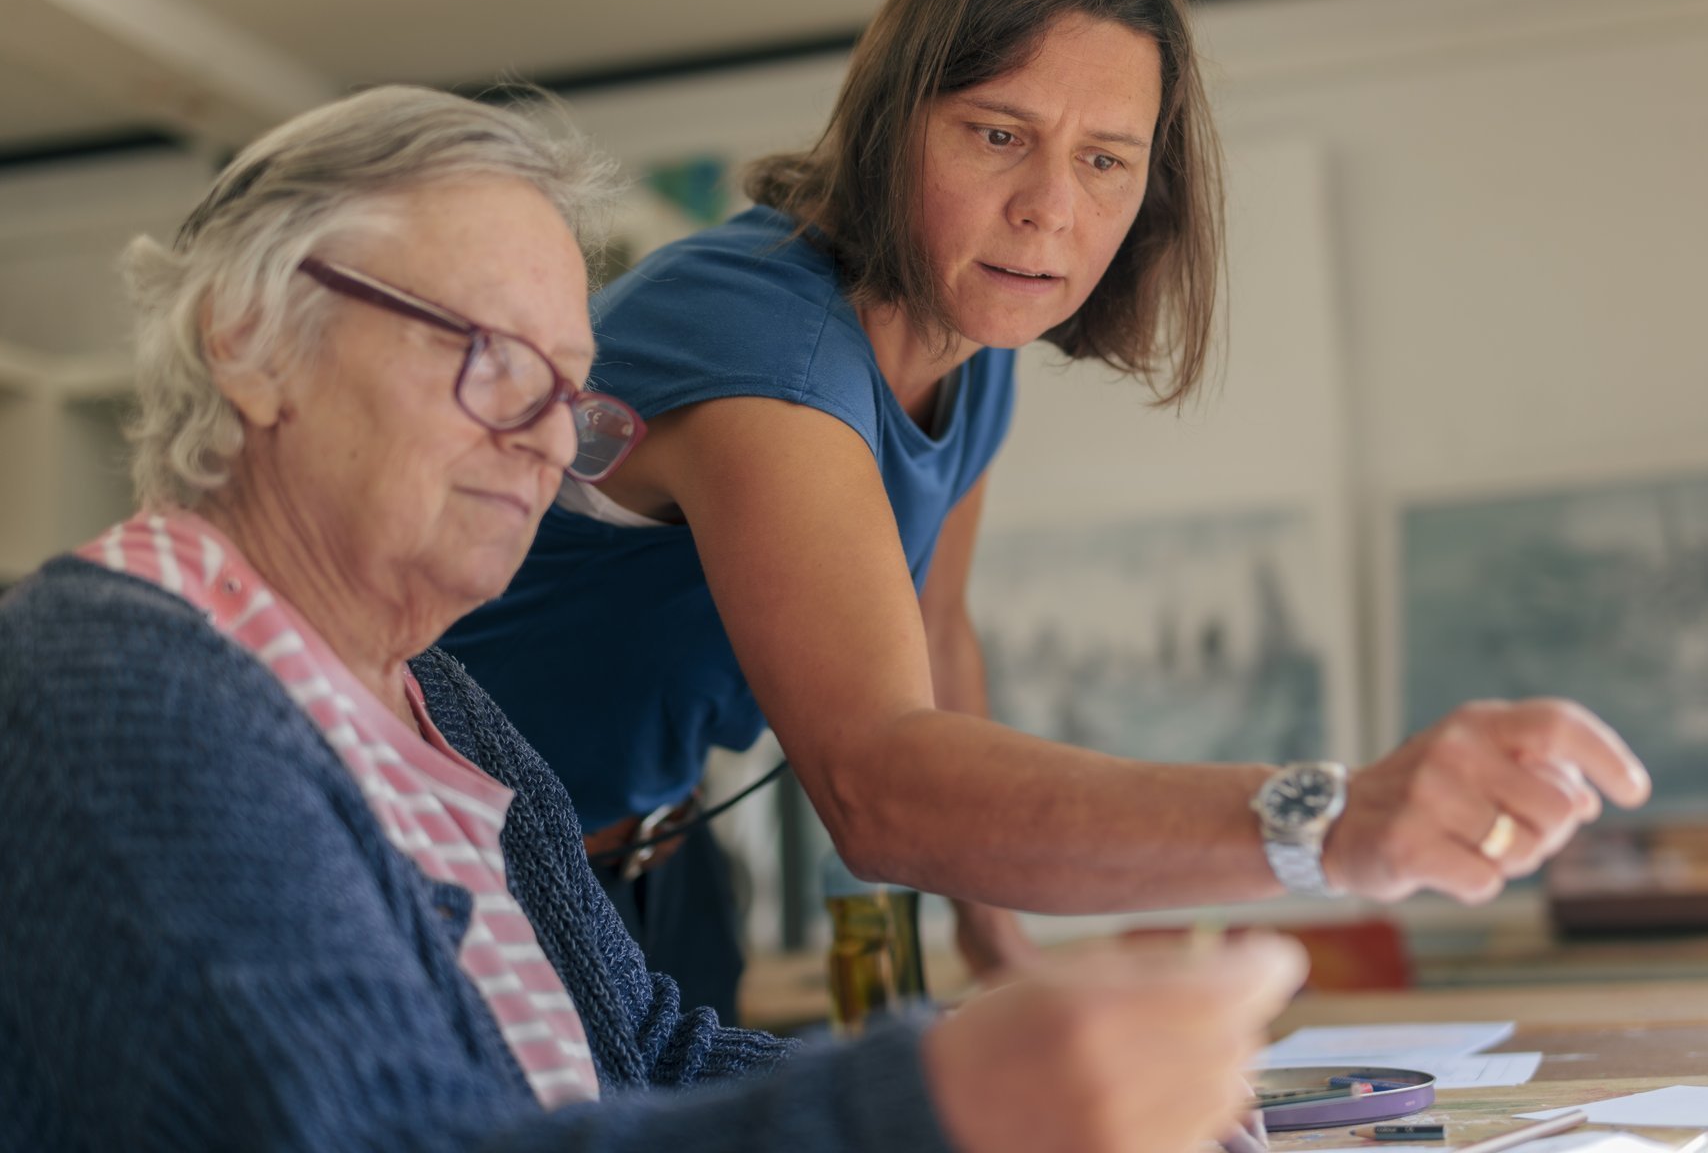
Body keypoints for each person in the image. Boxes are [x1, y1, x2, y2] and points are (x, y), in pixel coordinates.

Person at [0, 82, 1312, 1153]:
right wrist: (944, 1109)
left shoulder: (443, 709)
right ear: (248, 338)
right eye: (493, 360)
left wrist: (995, 1067)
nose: (541, 445)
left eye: (570, 396)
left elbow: (644, 1055)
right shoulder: (121, 681)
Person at [442, 0, 1653, 1016]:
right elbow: (877, 788)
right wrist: (1328, 819)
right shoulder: (760, 348)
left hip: (655, 854)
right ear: (887, 123)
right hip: (461, 871)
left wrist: (997, 940)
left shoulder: (973, 332)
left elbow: (936, 633)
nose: (1050, 210)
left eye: (1104, 159)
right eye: (997, 134)